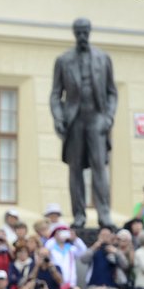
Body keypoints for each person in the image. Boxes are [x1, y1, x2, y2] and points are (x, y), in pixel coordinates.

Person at [49, 17, 118, 229]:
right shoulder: (63, 60)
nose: (81, 36)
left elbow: (111, 93)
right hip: (74, 119)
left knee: (99, 167)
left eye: (84, 32)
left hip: (97, 117)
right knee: (75, 169)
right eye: (78, 33)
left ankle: (104, 214)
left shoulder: (103, 58)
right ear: (74, 33)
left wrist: (108, 118)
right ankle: (78, 215)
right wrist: (59, 117)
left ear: (89, 32)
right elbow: (55, 95)